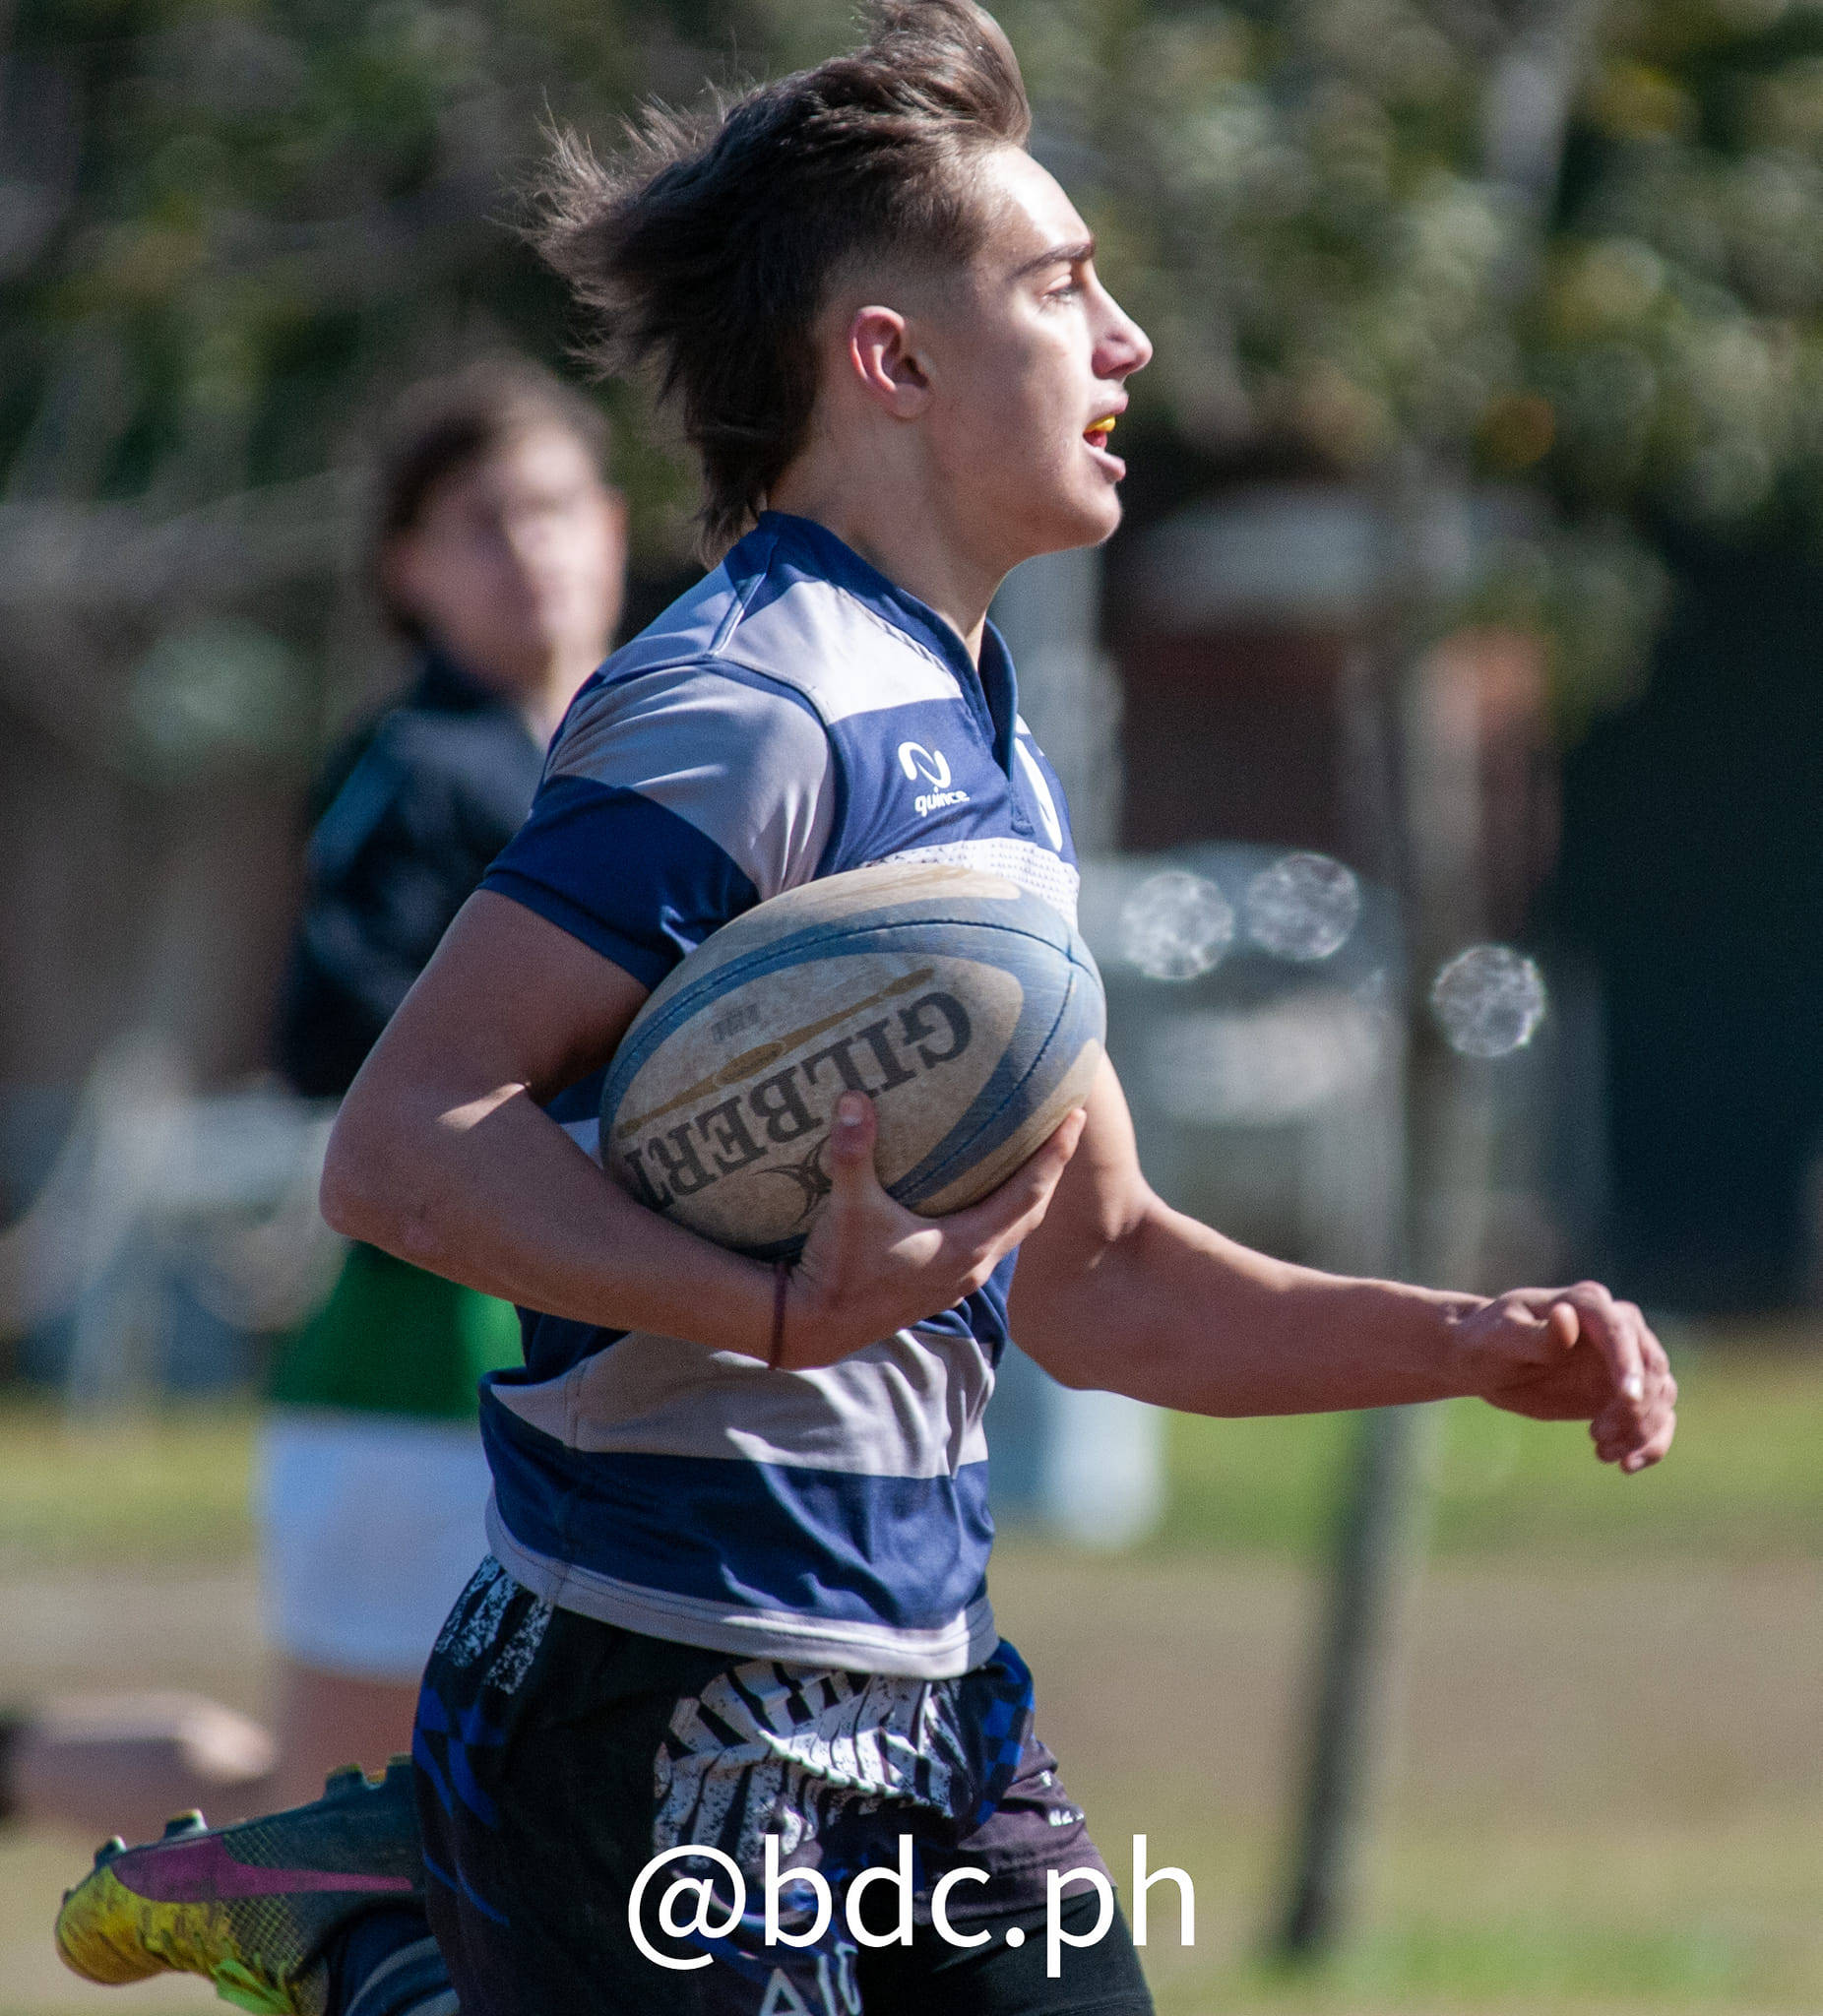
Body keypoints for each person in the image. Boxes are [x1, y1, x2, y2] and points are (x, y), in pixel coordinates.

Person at [54, 7, 1676, 2016]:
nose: (1126, 343)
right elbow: (399, 1151)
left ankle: (389, 1917)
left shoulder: (985, 735)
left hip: (929, 1701)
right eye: (1060, 286)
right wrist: (762, 1311)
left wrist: (1467, 1342)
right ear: (890, 362)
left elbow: (1095, 1280)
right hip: (643, 1703)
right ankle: (375, 1935)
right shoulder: (745, 705)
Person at [9, 358, 628, 1846]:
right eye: (481, 521)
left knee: (490, 1829)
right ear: (407, 570)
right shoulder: (416, 766)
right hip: (420, 1361)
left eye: (553, 505)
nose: (529, 546)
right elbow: (335, 1032)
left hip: (586, 1358)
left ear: (613, 525)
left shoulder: (637, 763)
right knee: (346, 1825)